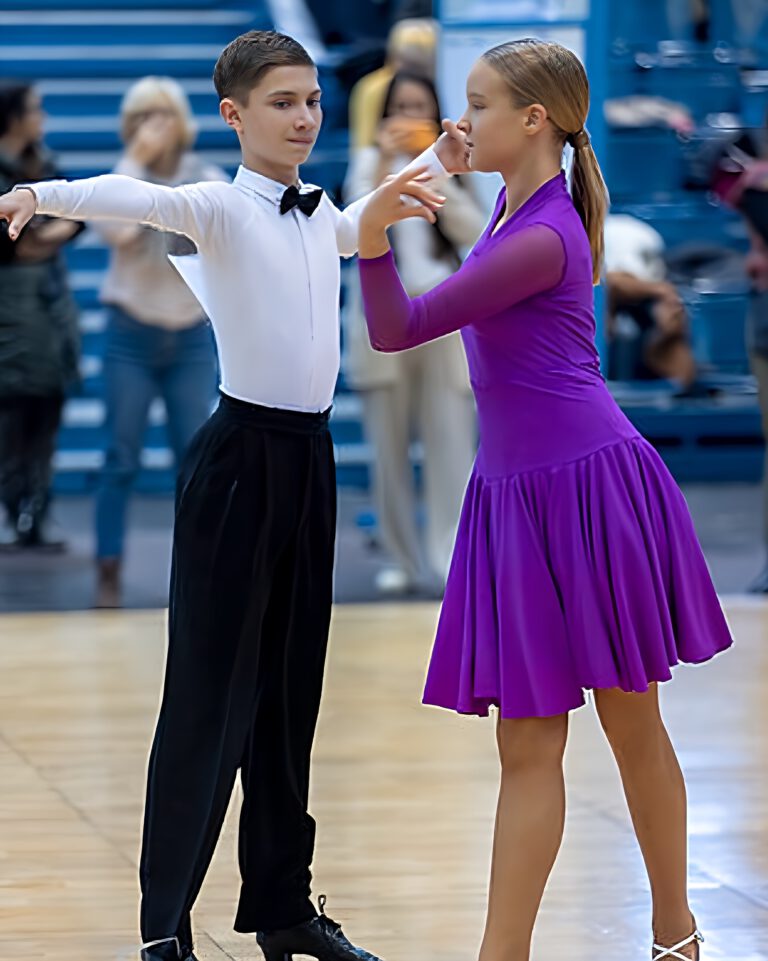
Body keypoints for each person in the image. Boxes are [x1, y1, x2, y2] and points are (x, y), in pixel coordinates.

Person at [0, 30, 452, 961]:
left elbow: (355, 225)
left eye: (314, 100)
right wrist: (40, 193)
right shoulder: (219, 206)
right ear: (235, 114)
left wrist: (435, 163)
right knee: (208, 695)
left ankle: (283, 906)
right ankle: (164, 928)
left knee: (291, 701)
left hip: (310, 463)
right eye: (283, 101)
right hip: (239, 462)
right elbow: (138, 196)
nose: (303, 116)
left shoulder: (317, 210)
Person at [357, 38, 732, 961]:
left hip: (589, 491)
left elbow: (397, 325)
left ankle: (675, 930)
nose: (459, 120)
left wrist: (369, 237)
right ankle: (506, 954)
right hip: (521, 496)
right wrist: (431, 167)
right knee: (527, 748)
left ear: (534, 120)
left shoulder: (538, 235)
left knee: (631, 722)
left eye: (477, 106)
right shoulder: (512, 201)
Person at [344, 71, 483, 593]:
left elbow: (476, 232)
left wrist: (440, 170)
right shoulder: (367, 164)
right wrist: (384, 162)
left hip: (444, 313)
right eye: (399, 106)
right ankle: (401, 558)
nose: (408, 117)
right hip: (382, 321)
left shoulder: (458, 166)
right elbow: (357, 224)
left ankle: (450, 553)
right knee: (388, 447)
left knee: (451, 437)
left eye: (419, 107)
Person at [92, 77, 226, 608]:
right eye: (143, 117)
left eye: (162, 115)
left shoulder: (204, 179)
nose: (154, 126)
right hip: (131, 333)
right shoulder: (123, 177)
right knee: (118, 457)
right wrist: (135, 160)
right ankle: (107, 570)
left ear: (181, 121)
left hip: (190, 337)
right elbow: (115, 232)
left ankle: (201, 575)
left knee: (194, 462)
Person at [0, 81, 83, 551]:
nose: (41, 117)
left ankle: (38, 512)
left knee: (48, 411)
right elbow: (13, 243)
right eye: (33, 109)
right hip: (10, 309)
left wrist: (40, 236)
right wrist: (48, 232)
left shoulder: (43, 165)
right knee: (12, 418)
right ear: (12, 115)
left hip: (49, 306)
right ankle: (17, 511)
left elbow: (77, 217)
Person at [604, 213, 698, 389]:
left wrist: (666, 340)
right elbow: (613, 282)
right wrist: (659, 290)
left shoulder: (659, 307)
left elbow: (682, 382)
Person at [348, 17, 436, 151]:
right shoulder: (372, 88)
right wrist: (384, 156)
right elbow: (363, 146)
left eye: (418, 106)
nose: (410, 114)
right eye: (400, 106)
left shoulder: (445, 84)